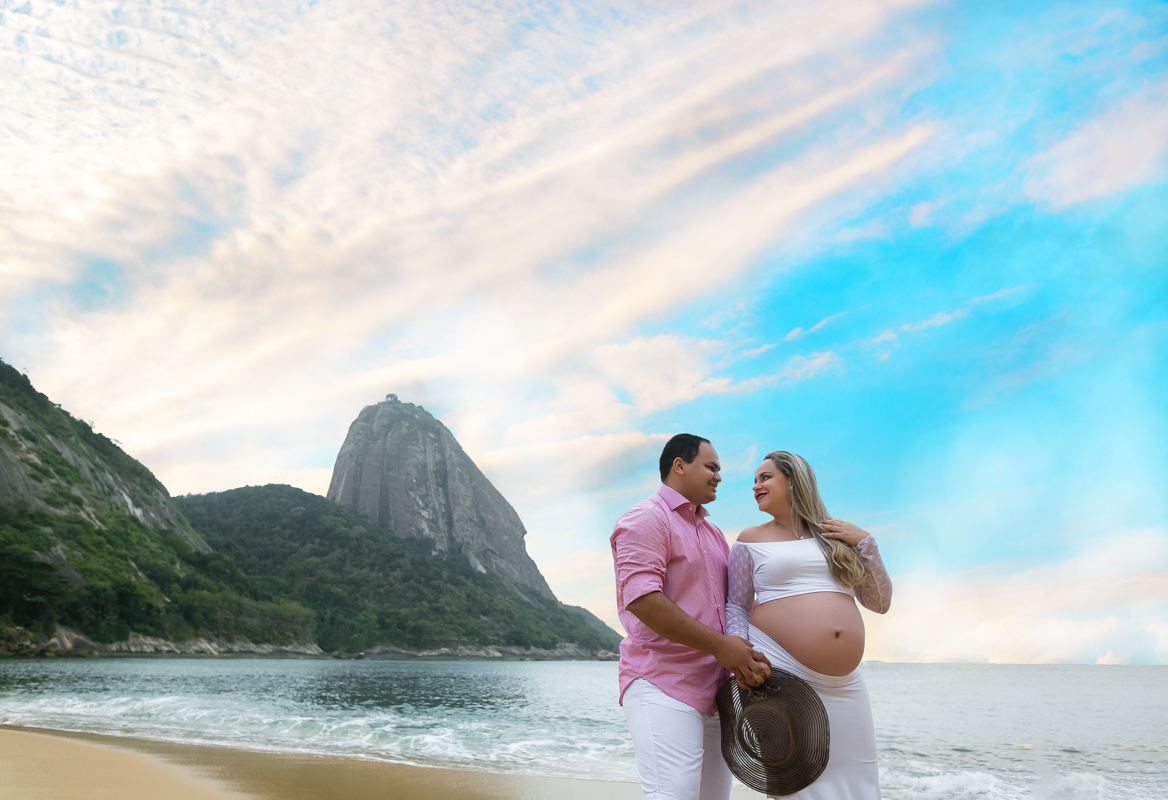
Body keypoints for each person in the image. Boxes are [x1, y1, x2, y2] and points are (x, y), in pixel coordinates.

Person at [611, 433, 772, 800]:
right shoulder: (646, 518)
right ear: (679, 465)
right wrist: (721, 647)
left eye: (719, 469)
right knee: (673, 795)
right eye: (711, 467)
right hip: (661, 681)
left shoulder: (714, 534)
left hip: (715, 690)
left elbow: (735, 607)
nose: (718, 476)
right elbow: (642, 600)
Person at [727, 450, 892, 799]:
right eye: (754, 481)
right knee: (795, 781)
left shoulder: (837, 535)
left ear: (793, 479)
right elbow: (737, 607)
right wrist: (740, 660)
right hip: (781, 674)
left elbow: (879, 603)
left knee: (859, 776)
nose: (756, 486)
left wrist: (866, 543)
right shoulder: (750, 539)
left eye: (765, 477)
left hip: (845, 684)